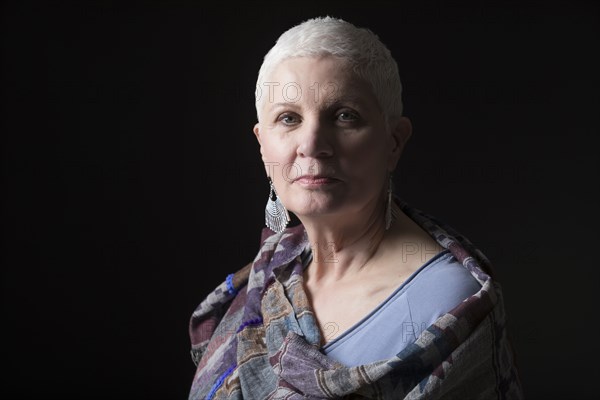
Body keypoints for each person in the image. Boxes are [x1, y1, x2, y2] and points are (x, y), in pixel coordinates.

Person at [188, 16, 523, 399]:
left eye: (344, 116)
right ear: (263, 145)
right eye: (289, 118)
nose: (312, 143)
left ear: (394, 142)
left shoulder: (446, 301)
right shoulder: (270, 275)